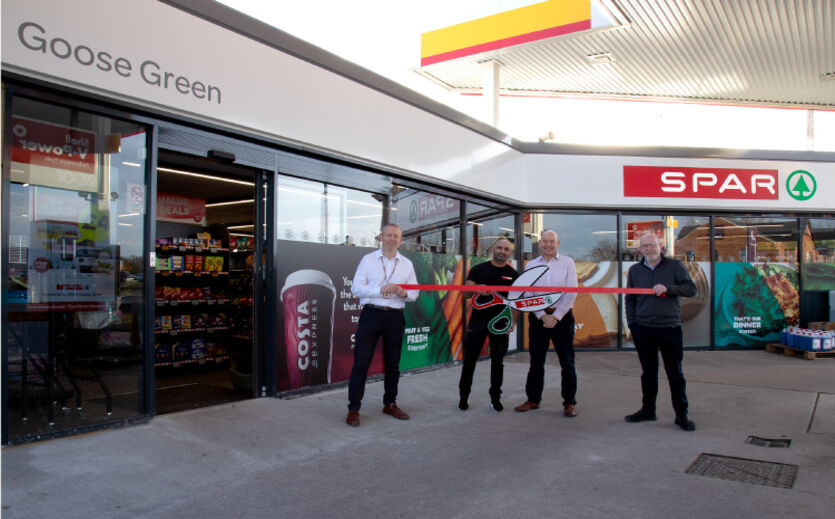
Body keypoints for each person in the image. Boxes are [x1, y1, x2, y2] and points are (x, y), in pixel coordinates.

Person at [346, 223, 419, 427]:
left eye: (396, 236)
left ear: (401, 240)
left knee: (393, 364)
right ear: (381, 237)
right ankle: (353, 408)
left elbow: (414, 292)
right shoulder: (368, 260)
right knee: (361, 363)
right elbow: (356, 288)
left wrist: (406, 294)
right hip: (371, 314)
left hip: (395, 317)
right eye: (389, 235)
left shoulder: (406, 264)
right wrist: (381, 290)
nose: (392, 239)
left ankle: (390, 403)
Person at [624, 233, 697, 431]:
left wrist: (668, 288)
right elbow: (629, 299)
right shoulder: (635, 270)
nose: (649, 249)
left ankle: (682, 415)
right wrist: (632, 323)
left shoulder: (675, 266)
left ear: (661, 246)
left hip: (669, 328)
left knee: (675, 373)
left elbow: (691, 289)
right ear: (639, 249)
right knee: (648, 372)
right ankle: (648, 410)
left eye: (652, 245)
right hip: (644, 329)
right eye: (645, 246)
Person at [514, 230, 579, 417]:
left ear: (557, 243)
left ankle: (569, 402)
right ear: (540, 244)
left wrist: (556, 316)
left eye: (552, 241)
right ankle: (533, 400)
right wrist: (543, 315)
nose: (548, 245)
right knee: (536, 361)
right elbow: (527, 293)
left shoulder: (568, 262)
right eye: (545, 241)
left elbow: (572, 292)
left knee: (567, 362)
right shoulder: (532, 265)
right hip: (538, 318)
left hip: (563, 317)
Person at [458, 238, 519, 412]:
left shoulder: (514, 275)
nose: (502, 251)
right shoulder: (478, 270)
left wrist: (513, 322)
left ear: (509, 253)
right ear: (493, 248)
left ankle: (495, 399)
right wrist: (477, 288)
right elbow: (465, 295)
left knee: (498, 362)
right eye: (499, 247)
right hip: (478, 323)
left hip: (501, 324)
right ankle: (463, 397)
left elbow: (516, 302)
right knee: (469, 361)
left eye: (506, 249)